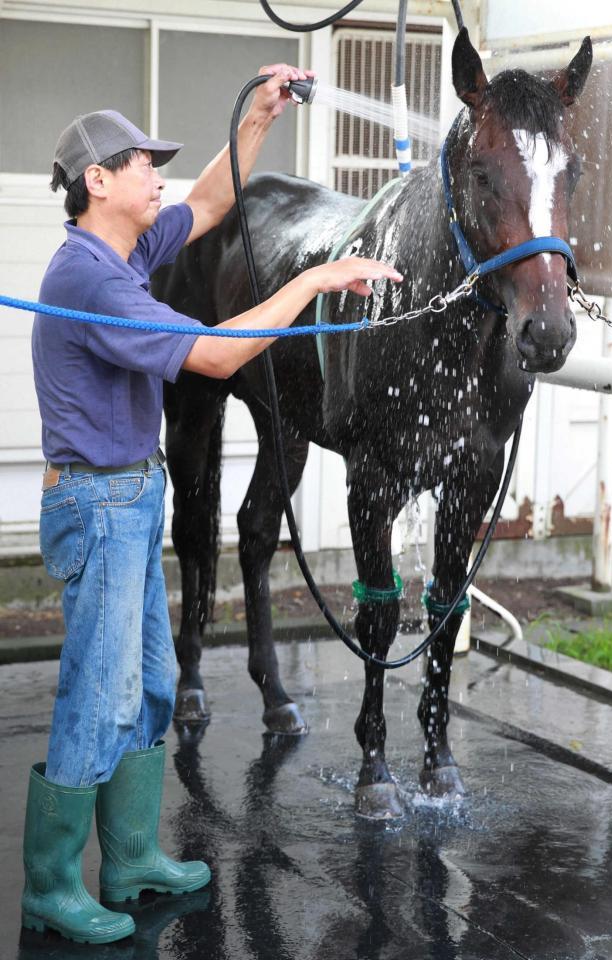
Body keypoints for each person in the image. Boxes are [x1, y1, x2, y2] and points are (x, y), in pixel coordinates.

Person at [24, 64, 403, 945]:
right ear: (98, 181)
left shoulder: (127, 247)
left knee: (152, 688)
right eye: (142, 163)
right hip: (98, 506)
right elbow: (220, 358)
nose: (159, 175)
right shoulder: (90, 278)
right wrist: (314, 282)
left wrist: (262, 116)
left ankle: (128, 860)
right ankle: (50, 885)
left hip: (133, 499)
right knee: (99, 699)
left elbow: (208, 204)